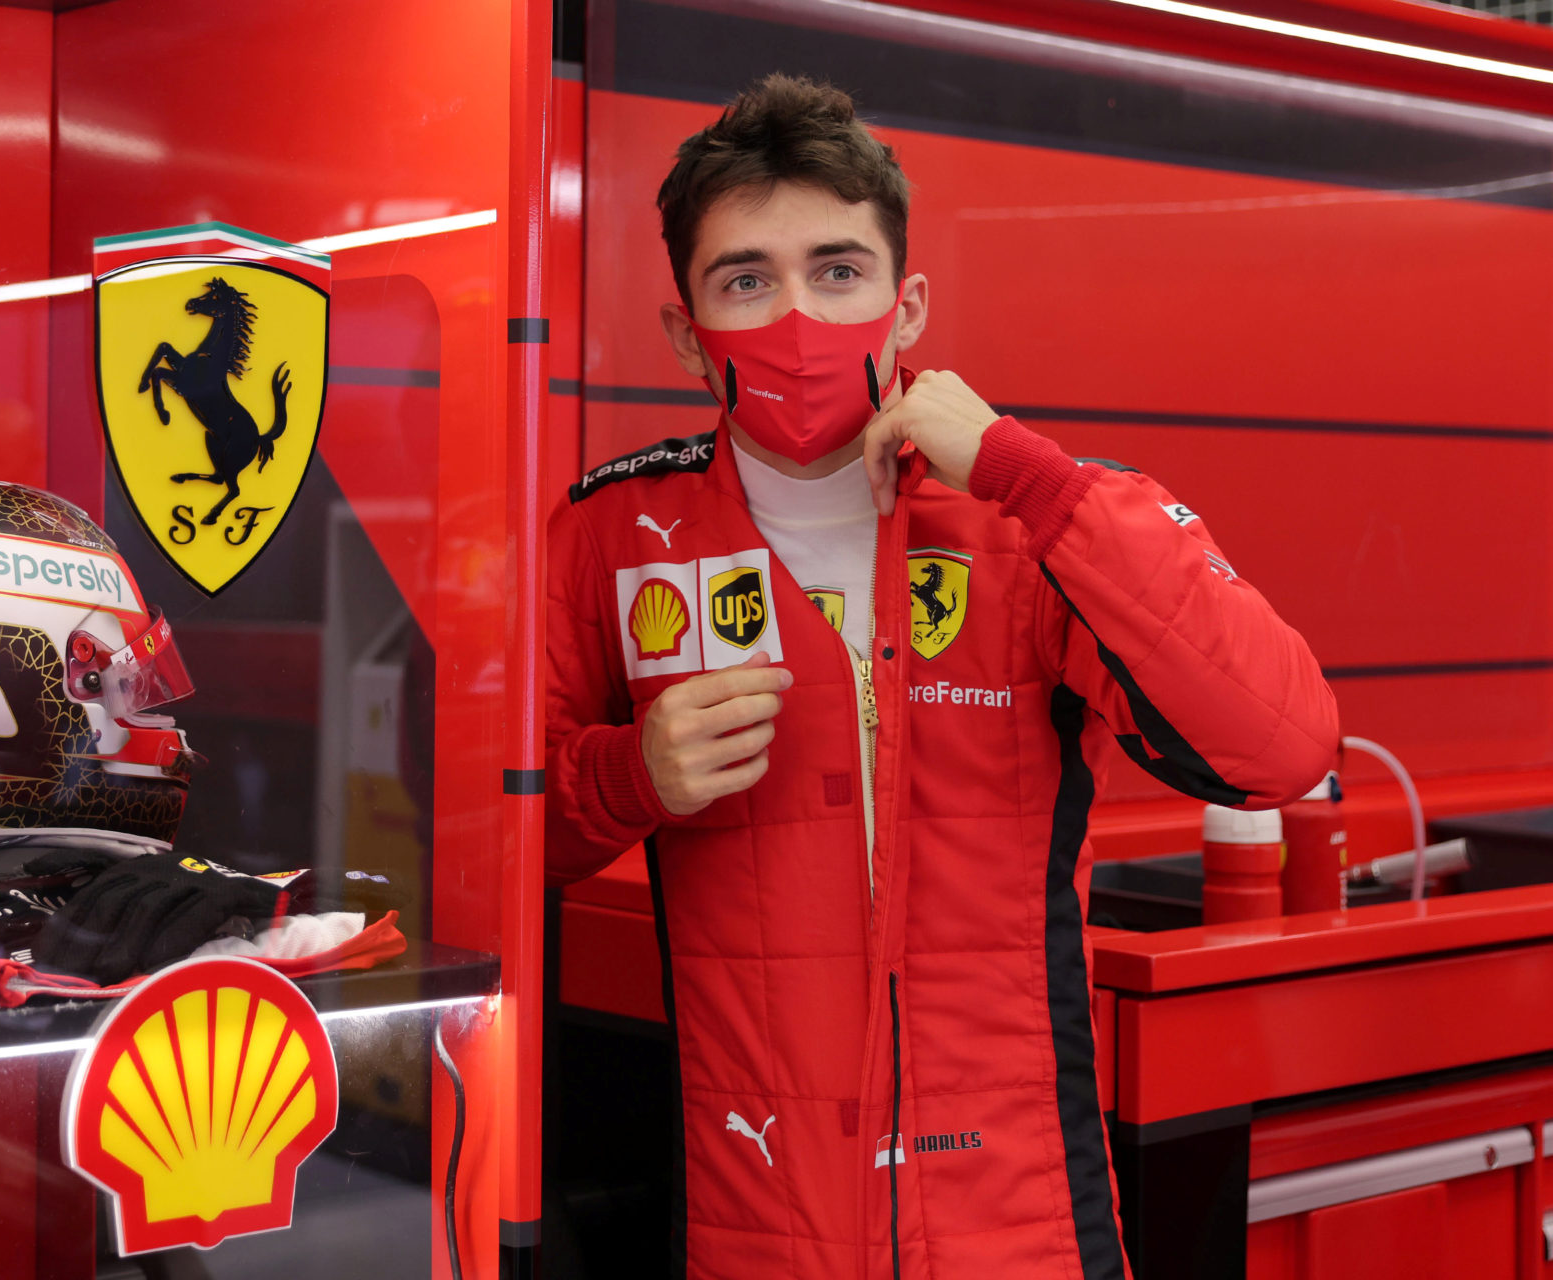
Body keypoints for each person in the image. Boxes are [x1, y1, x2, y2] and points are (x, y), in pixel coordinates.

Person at [545, 73, 1339, 1279]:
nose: (798, 316)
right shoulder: (613, 530)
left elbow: (1280, 747)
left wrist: (1036, 479)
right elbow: (484, 846)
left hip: (1014, 1222)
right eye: (745, 279)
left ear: (906, 303)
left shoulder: (1027, 519)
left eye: (839, 270)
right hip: (757, 1220)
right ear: (683, 328)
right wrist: (627, 774)